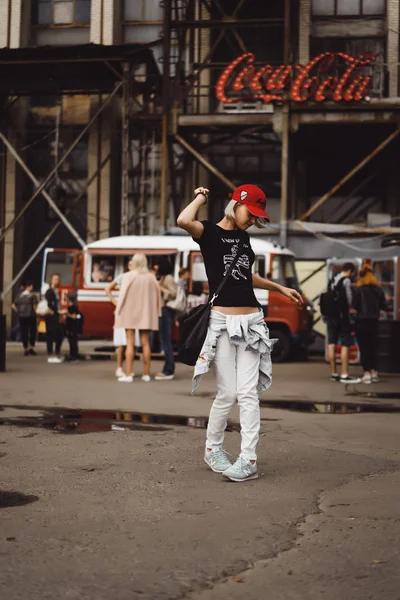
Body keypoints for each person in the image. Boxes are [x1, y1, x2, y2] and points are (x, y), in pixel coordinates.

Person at [177, 184, 303, 482]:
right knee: (228, 392)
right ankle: (214, 449)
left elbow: (246, 276)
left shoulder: (244, 238)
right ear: (235, 204)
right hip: (221, 322)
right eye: (251, 213)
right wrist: (199, 197)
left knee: (248, 394)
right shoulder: (208, 232)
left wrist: (279, 288)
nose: (252, 220)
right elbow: (183, 220)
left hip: (253, 321)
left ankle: (248, 459)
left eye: (257, 216)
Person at [115, 254, 161, 383]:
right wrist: (157, 311)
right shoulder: (151, 277)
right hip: (146, 313)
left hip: (129, 312)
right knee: (145, 342)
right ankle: (146, 374)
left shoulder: (128, 275)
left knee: (129, 342)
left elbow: (122, 294)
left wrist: (118, 310)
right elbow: (157, 296)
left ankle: (129, 374)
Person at [325, 262, 360, 383]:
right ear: (350, 271)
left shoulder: (332, 280)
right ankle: (345, 374)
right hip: (342, 317)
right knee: (346, 343)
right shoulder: (346, 281)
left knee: (331, 343)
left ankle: (334, 373)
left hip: (330, 317)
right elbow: (349, 300)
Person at [353, 265, 388, 384]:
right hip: (374, 322)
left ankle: (366, 372)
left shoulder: (359, 290)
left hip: (361, 322)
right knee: (373, 348)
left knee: (364, 348)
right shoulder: (378, 290)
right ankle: (374, 372)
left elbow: (355, 305)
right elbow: (384, 305)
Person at [106, 260, 132, 378]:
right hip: (122, 310)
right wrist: (115, 302)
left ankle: (128, 368)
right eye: (130, 264)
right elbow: (108, 289)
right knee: (122, 342)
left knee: (130, 342)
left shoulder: (136, 277)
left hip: (131, 311)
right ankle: (119, 367)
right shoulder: (123, 276)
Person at [155, 257, 177, 381]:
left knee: (166, 340)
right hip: (163, 310)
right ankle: (168, 368)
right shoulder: (163, 277)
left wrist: (161, 289)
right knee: (164, 340)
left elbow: (173, 293)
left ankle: (168, 369)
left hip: (166, 310)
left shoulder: (168, 278)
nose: (155, 267)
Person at [12, 281, 38, 356]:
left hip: (22, 316)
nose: (32, 288)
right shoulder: (32, 296)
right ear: (29, 287)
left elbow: (13, 305)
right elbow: (34, 306)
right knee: (32, 331)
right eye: (31, 286)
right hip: (31, 316)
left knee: (24, 332)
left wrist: (18, 311)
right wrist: (37, 314)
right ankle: (31, 348)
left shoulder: (19, 296)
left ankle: (25, 348)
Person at [45, 273, 65, 363]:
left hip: (56, 315)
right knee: (51, 334)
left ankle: (56, 353)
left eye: (58, 279)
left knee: (59, 334)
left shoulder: (55, 291)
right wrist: (56, 311)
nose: (57, 281)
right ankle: (51, 354)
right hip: (51, 316)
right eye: (55, 279)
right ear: (51, 280)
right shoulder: (49, 291)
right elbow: (49, 304)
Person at [65, 292, 83, 362]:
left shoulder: (73, 307)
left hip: (73, 327)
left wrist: (67, 313)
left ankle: (74, 355)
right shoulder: (71, 307)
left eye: (66, 297)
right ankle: (72, 354)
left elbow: (74, 316)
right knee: (72, 341)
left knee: (73, 341)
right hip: (70, 327)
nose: (65, 299)